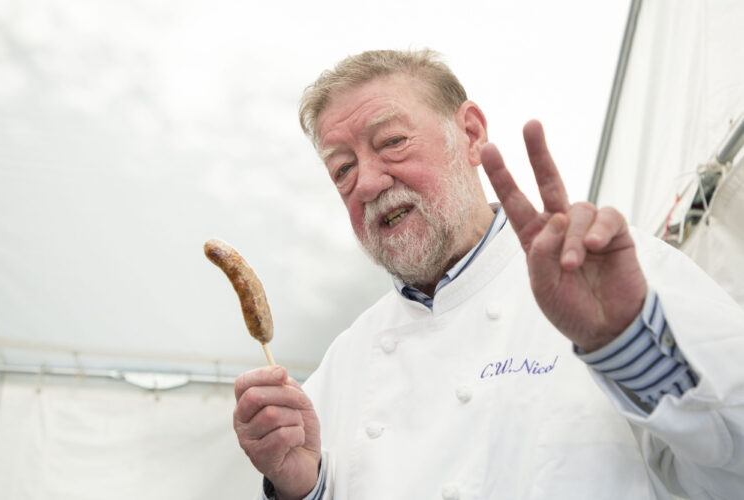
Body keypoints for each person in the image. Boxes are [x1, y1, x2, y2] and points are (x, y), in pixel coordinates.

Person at [232, 49, 744, 500]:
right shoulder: (341, 367)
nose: (366, 183)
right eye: (342, 170)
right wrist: (302, 490)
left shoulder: (616, 275)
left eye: (391, 141)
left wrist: (628, 345)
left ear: (471, 134)